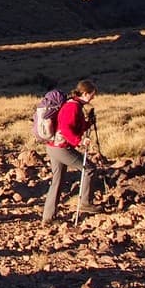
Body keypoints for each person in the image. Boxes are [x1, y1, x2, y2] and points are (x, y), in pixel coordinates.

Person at [43, 79, 98, 224]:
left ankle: (48, 218)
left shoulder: (73, 105)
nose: (93, 97)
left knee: (57, 180)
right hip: (61, 148)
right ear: (85, 93)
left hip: (53, 146)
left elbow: (74, 126)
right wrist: (79, 141)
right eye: (92, 94)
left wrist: (88, 123)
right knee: (89, 169)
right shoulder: (73, 107)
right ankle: (86, 202)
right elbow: (66, 129)